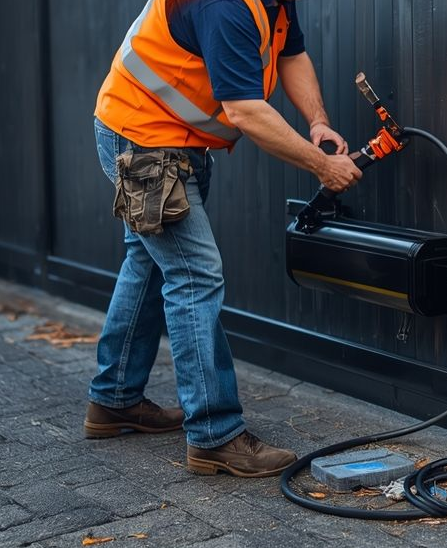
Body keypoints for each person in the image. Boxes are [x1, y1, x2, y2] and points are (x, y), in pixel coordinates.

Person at [83, 0, 360, 478]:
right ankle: (215, 435)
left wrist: (316, 120)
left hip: (177, 140)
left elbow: (291, 54)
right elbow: (246, 111)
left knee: (149, 265)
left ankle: (114, 400)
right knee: (195, 277)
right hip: (142, 140)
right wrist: (322, 165)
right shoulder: (225, 6)